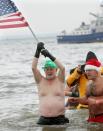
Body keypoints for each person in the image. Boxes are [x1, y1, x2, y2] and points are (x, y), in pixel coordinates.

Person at [32, 42, 69, 125]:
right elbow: (33, 68)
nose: (49, 71)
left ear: (56, 70)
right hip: (44, 119)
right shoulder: (40, 80)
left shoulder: (60, 80)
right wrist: (37, 51)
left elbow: (62, 68)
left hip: (59, 119)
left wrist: (49, 55)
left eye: (51, 69)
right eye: (47, 69)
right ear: (44, 70)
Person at [68, 53, 103, 123]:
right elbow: (86, 99)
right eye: (86, 70)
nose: (87, 72)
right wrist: (77, 100)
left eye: (89, 70)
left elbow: (94, 100)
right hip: (91, 118)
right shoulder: (89, 84)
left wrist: (98, 101)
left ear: (97, 71)